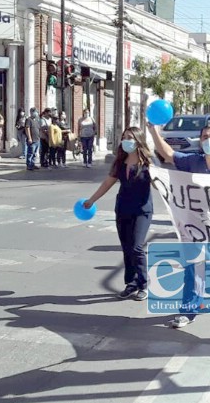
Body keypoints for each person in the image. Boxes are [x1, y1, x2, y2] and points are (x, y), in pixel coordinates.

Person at [148, 121, 210, 327]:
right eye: (205, 137)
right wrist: (154, 132)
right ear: (200, 141)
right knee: (193, 267)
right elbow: (169, 154)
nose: (208, 140)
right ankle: (188, 310)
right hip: (195, 225)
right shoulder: (192, 161)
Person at [84, 127, 153, 301]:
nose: (126, 140)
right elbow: (108, 183)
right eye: (124, 137)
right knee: (127, 248)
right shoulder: (120, 162)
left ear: (138, 141)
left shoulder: (148, 164)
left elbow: (161, 184)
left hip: (142, 211)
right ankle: (132, 283)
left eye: (130, 137)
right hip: (123, 209)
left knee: (137, 247)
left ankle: (144, 284)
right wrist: (92, 200)